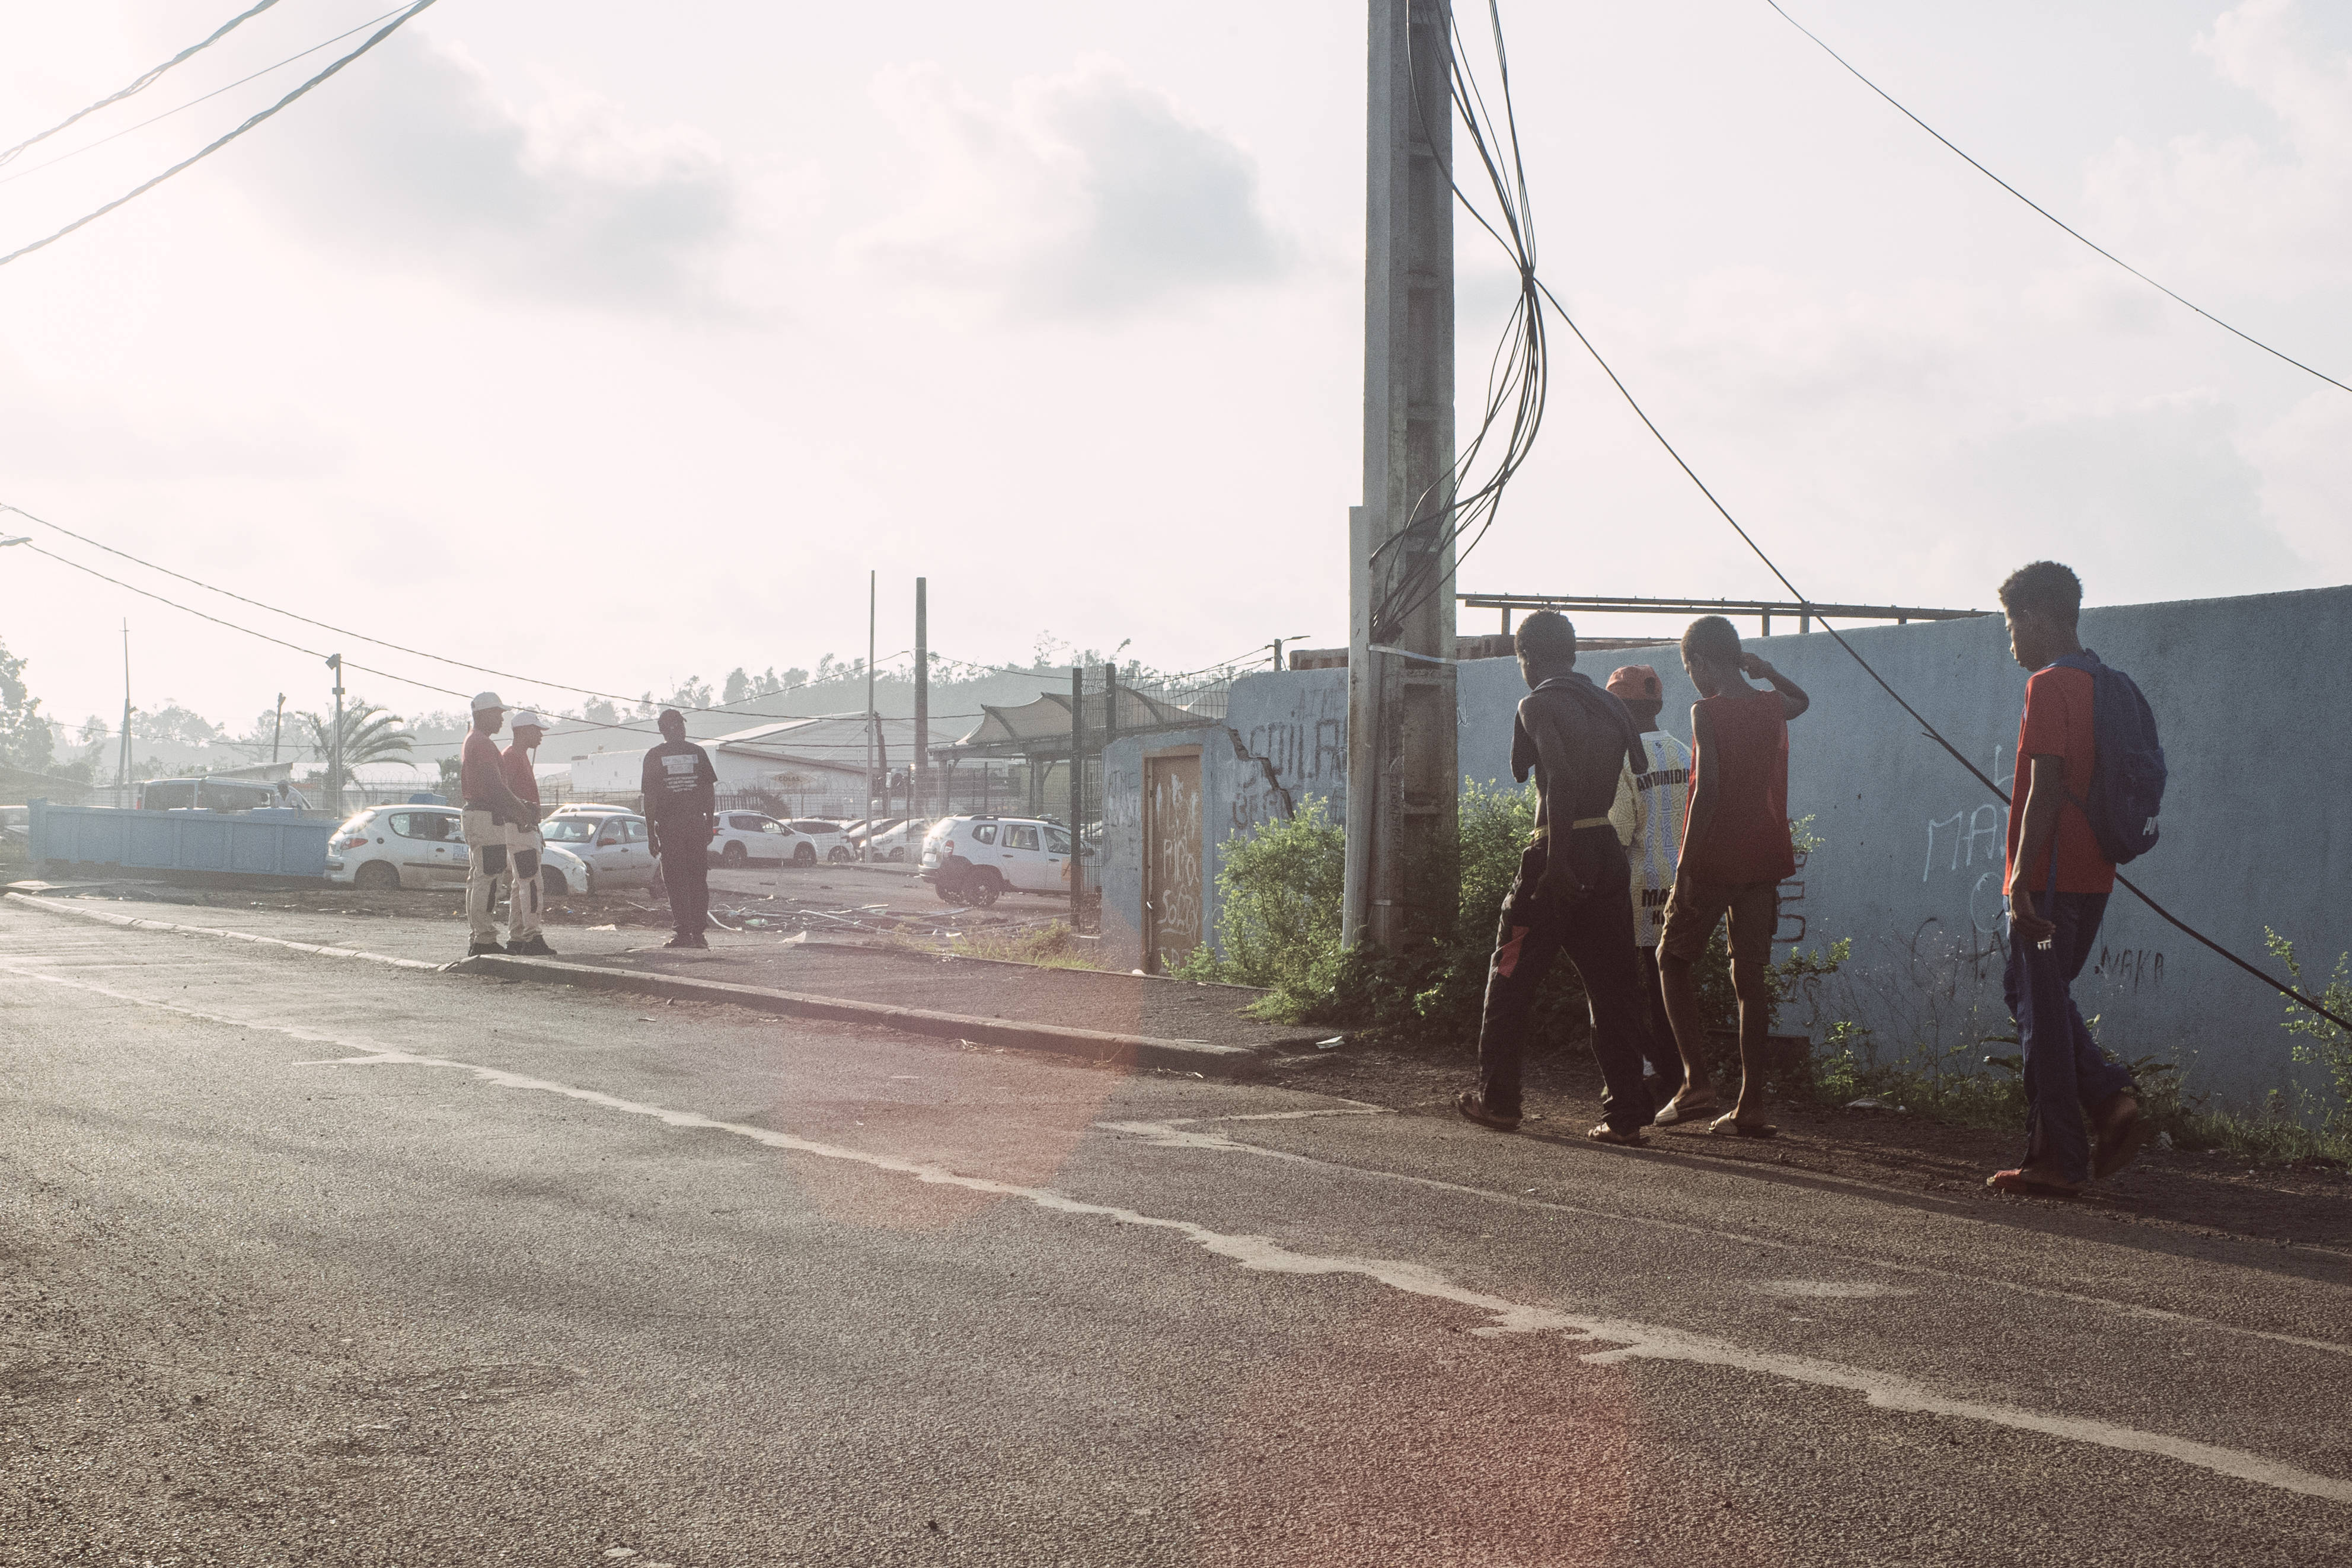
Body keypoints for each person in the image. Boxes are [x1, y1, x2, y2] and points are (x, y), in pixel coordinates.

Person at [1457, 611, 1657, 1145]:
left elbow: (1541, 772)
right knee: (1613, 988)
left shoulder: (1536, 702)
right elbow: (1635, 762)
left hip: (1557, 850)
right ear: (1572, 652)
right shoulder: (1614, 705)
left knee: (1509, 978)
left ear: (1527, 656)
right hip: (1607, 852)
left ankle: (1498, 1101)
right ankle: (1626, 1114)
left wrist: (1557, 863)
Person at [1989, 561, 2152, 1196]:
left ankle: (2056, 1155)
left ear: (2038, 614)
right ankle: (2109, 1099)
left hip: (2050, 878)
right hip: (2097, 876)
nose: (2010, 638)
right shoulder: (2111, 684)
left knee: (2043, 1016)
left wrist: (2020, 879)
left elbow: (2046, 787)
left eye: (2010, 622)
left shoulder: (2049, 685)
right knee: (2034, 995)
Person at [1654, 616, 1809, 1137]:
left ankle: (1695, 1081)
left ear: (1699, 661)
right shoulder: (1770, 706)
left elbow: (1708, 791)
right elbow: (1801, 701)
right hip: (1764, 859)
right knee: (1749, 980)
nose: (1691, 679)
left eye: (1689, 668)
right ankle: (1751, 1104)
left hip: (1716, 859)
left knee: (1670, 958)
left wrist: (1684, 868)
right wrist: (1769, 672)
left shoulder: (1705, 712)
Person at [1606, 663, 1692, 1106]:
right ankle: (1686, 1077)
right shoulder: (1685, 752)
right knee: (1676, 983)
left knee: (1634, 986)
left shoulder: (1621, 760)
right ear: (1657, 704)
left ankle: (1656, 1074)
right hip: (1686, 888)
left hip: (1639, 890)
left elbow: (1618, 832)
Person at [458, 692, 542, 957]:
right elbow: (494, 785)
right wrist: (520, 808)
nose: (501, 719)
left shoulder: (476, 741)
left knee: (482, 877)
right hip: (485, 815)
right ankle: (484, 939)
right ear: (483, 714)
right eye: (498, 714)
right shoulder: (482, 743)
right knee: (488, 878)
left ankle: (480, 936)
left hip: (481, 814)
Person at [640, 708, 717, 950]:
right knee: (696, 879)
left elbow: (650, 798)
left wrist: (651, 834)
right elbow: (708, 792)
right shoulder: (697, 752)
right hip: (691, 825)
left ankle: (686, 933)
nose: (681, 730)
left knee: (677, 880)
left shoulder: (655, 756)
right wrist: (708, 823)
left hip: (674, 827)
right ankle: (696, 934)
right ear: (665, 729)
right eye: (678, 726)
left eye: (681, 726)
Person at [498, 710, 557, 957]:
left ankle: (517, 937)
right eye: (537, 730)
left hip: (521, 827)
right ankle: (532, 937)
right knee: (531, 883)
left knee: (519, 885)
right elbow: (506, 792)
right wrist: (524, 816)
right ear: (523, 731)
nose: (541, 736)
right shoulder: (512, 757)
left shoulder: (517, 756)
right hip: (520, 827)